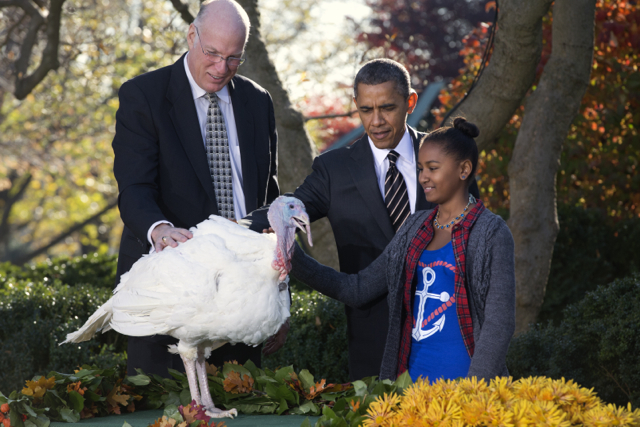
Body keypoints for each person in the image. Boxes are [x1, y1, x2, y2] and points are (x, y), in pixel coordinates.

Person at [243, 59, 479, 380]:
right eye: (366, 110)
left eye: (387, 108)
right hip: (373, 346)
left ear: (410, 102)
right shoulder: (333, 170)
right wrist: (228, 229)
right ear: (355, 105)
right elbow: (284, 212)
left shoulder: (448, 158)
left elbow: (474, 248)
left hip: (448, 337)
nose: (377, 121)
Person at [111, 0, 286, 377]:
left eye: (234, 58)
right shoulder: (143, 96)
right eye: (212, 53)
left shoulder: (257, 101)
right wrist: (158, 229)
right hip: (172, 303)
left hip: (242, 302)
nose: (221, 68)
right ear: (191, 35)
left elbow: (269, 204)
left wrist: (279, 297)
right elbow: (134, 188)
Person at [289, 118, 515, 382]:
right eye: (420, 169)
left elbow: (499, 325)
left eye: (433, 168)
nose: (423, 178)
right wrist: (291, 255)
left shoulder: (491, 232)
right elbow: (358, 289)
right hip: (409, 392)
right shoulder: (414, 228)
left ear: (464, 169)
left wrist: (474, 393)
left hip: (466, 394)